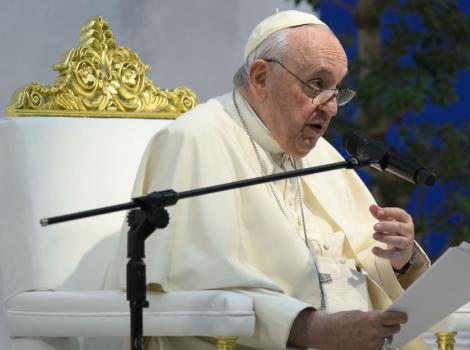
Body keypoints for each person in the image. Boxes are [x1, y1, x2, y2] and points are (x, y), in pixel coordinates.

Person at [105, 10, 430, 350]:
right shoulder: (196, 139)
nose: (331, 108)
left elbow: (356, 265)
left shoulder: (322, 155)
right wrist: (310, 328)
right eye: (317, 85)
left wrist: (399, 258)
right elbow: (196, 284)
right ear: (260, 78)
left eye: (337, 90)